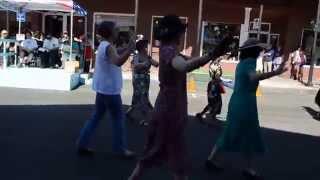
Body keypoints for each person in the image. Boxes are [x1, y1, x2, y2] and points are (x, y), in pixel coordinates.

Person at [128, 15, 228, 180]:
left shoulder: (171, 50)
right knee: (176, 156)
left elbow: (192, 61)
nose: (182, 35)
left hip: (168, 105)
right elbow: (184, 66)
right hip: (170, 109)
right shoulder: (168, 50)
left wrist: (212, 54)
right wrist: (212, 54)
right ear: (175, 34)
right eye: (180, 32)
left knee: (153, 151)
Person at [205, 38, 288, 180]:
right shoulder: (250, 62)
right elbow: (253, 77)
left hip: (240, 101)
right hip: (244, 103)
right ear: (254, 51)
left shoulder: (242, 63)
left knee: (241, 132)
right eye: (259, 50)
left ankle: (217, 161)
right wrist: (275, 72)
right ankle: (241, 167)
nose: (261, 52)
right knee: (243, 133)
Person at [77, 21, 135, 158]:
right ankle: (120, 149)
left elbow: (114, 53)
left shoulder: (104, 45)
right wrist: (129, 50)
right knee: (118, 119)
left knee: (96, 117)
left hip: (102, 89)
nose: (117, 32)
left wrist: (125, 48)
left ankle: (82, 143)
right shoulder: (108, 47)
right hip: (110, 91)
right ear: (110, 32)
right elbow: (118, 61)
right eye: (115, 30)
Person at [126, 39, 159, 126]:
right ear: (142, 47)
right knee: (143, 98)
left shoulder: (147, 57)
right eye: (146, 46)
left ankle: (129, 113)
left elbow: (156, 64)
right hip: (138, 78)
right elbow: (135, 66)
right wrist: (144, 64)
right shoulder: (137, 56)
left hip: (145, 78)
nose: (147, 47)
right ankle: (146, 118)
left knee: (137, 97)